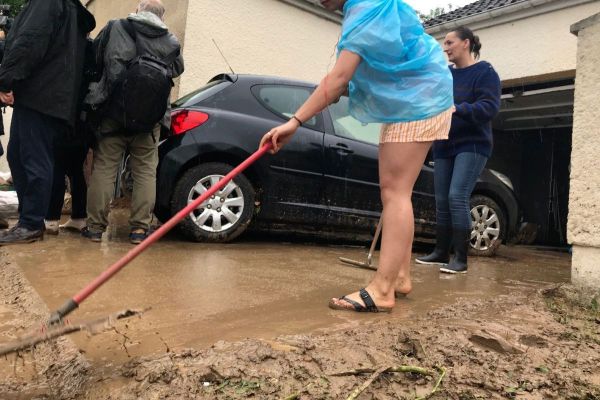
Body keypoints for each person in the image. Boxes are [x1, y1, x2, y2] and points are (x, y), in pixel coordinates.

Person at [259, 0, 453, 312]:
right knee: (395, 192)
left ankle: (383, 290)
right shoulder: (367, 7)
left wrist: (294, 122)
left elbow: (337, 81)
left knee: (396, 192)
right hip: (417, 97)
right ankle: (400, 277)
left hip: (421, 98)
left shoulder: (368, 8)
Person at [83, 0, 184, 244]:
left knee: (105, 168)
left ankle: (95, 227)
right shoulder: (171, 41)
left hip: (112, 112)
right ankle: (139, 229)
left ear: (139, 10)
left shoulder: (115, 26)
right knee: (145, 172)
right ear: (162, 17)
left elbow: (96, 57)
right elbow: (177, 70)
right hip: (151, 118)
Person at [0, 0, 96, 245]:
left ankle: (31, 223)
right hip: (51, 96)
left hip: (41, 95)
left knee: (33, 159)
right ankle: (29, 219)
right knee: (19, 157)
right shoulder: (67, 9)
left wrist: (6, 80)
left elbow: (30, 42)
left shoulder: (48, 3)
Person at [416, 26, 501, 274]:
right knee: (442, 200)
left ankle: (461, 259)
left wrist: (459, 108)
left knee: (457, 195)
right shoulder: (445, 74)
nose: (445, 47)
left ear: (466, 43)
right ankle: (440, 252)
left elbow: (490, 107)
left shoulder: (485, 72)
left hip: (472, 144)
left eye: (450, 42)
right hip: (444, 143)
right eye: (444, 43)